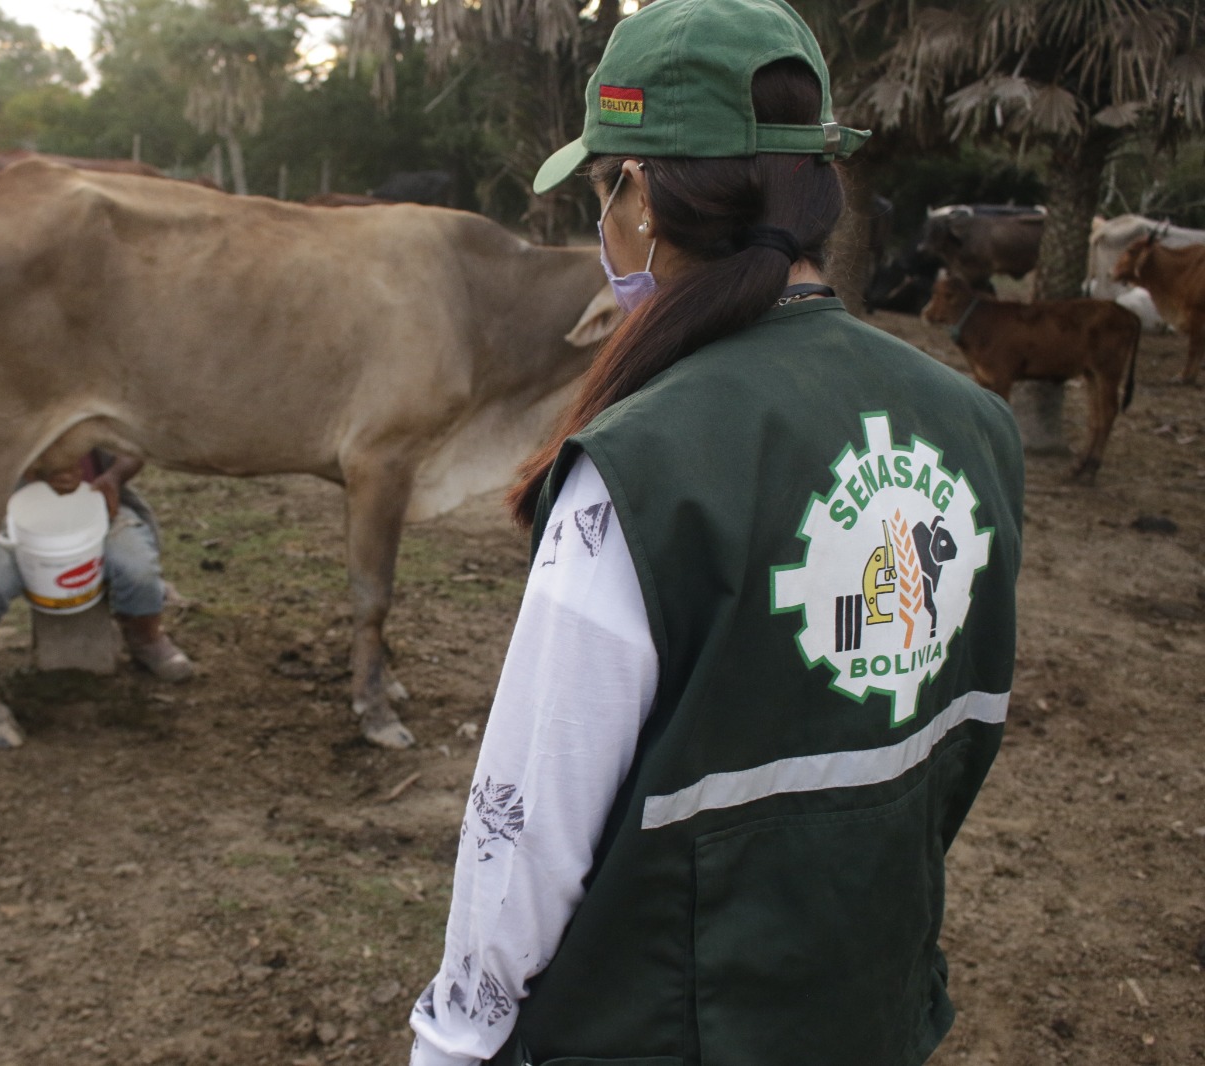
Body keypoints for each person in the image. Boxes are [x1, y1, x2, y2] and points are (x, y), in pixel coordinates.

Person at [408, 2, 1024, 1065]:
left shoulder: (637, 469)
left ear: (639, 198)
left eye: (604, 191)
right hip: (871, 1006)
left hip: (664, 1029)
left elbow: (523, 826)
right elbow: (957, 736)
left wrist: (454, 1037)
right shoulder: (974, 421)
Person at [0, 450, 193, 683]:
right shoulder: (1, 383)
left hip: (100, 504)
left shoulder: (102, 379)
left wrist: (113, 477)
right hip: (19, 512)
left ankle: (146, 638)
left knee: (137, 569)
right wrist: (33, 467)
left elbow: (134, 445)